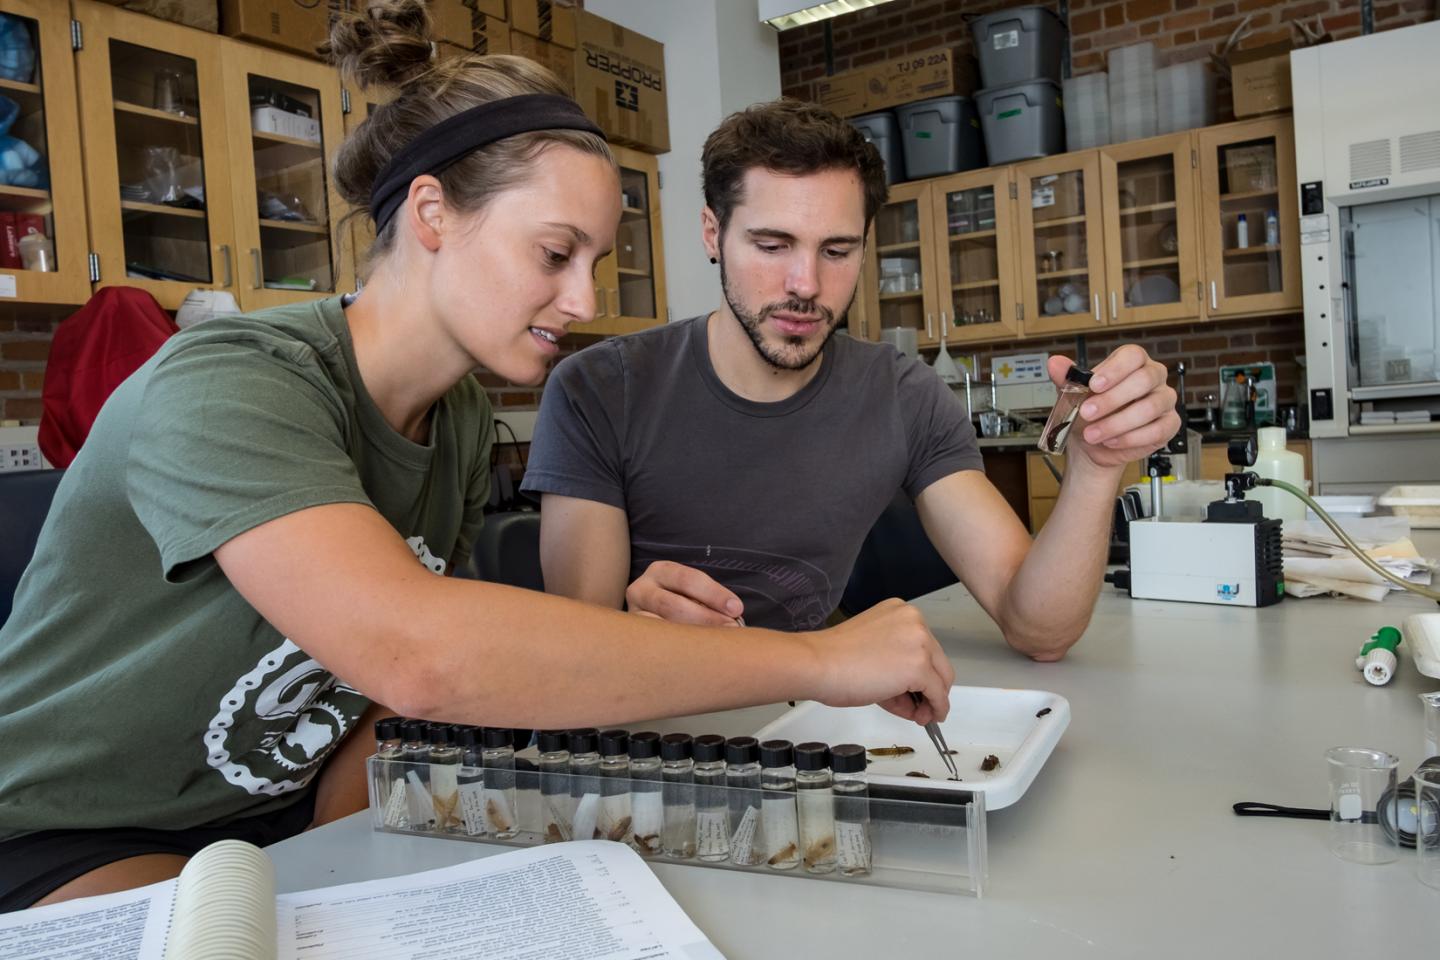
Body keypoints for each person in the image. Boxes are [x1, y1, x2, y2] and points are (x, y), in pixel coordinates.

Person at [0, 6, 954, 911]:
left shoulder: (454, 420)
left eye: (595, 260)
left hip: (270, 817)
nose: (582, 298)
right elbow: (417, 650)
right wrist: (818, 660)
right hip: (64, 829)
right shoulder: (230, 383)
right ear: (432, 213)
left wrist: (383, 859)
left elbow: (378, 705)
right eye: (554, 254)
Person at [523, 100, 1180, 658]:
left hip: (811, 732)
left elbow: (1039, 628)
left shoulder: (904, 397)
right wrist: (637, 634)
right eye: (772, 246)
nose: (805, 285)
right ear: (713, 233)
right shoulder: (598, 390)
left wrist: (1097, 468)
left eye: (837, 251)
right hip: (648, 743)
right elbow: (580, 656)